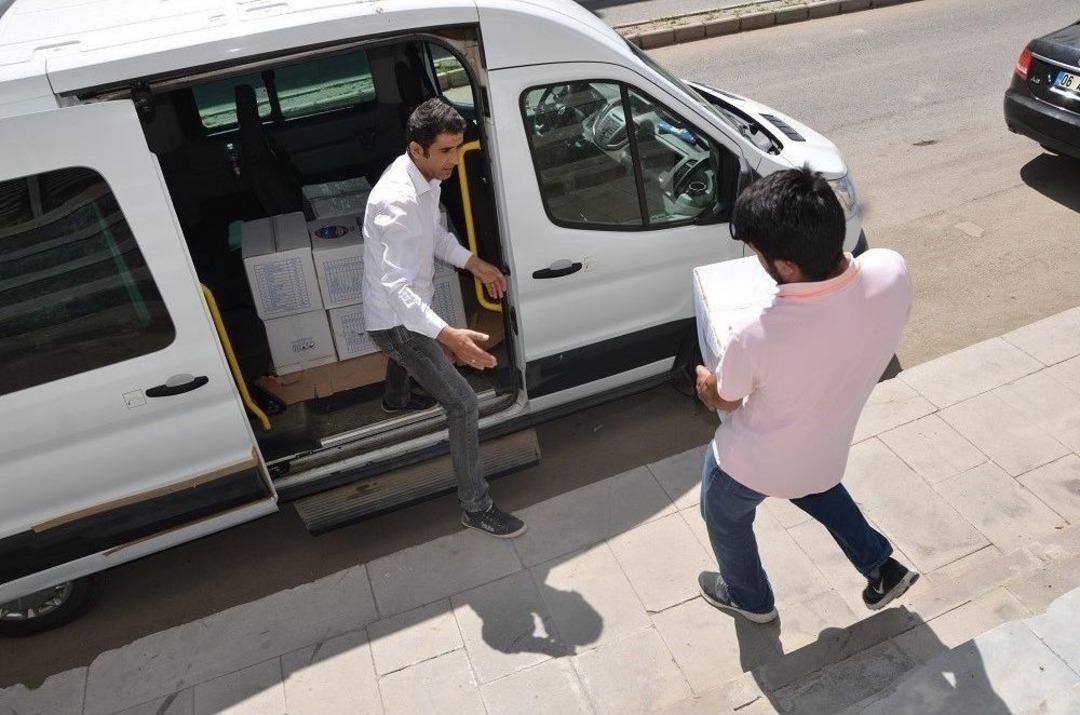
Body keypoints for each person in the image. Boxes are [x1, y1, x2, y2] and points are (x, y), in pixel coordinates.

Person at [695, 166, 916, 623]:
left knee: (723, 513)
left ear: (786, 267)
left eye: (759, 254)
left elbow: (727, 399)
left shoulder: (756, 334)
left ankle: (750, 599)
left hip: (751, 463)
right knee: (815, 487)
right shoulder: (891, 270)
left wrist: (706, 384)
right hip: (825, 452)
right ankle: (880, 566)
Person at [362, 98, 525, 538]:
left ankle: (395, 399)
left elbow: (435, 236)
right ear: (417, 149)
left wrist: (475, 264)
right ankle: (476, 507)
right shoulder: (396, 202)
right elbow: (398, 291)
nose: (454, 159)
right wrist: (449, 335)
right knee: (463, 403)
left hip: (405, 308)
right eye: (446, 151)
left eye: (457, 148)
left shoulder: (425, 178)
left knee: (411, 357)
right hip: (397, 322)